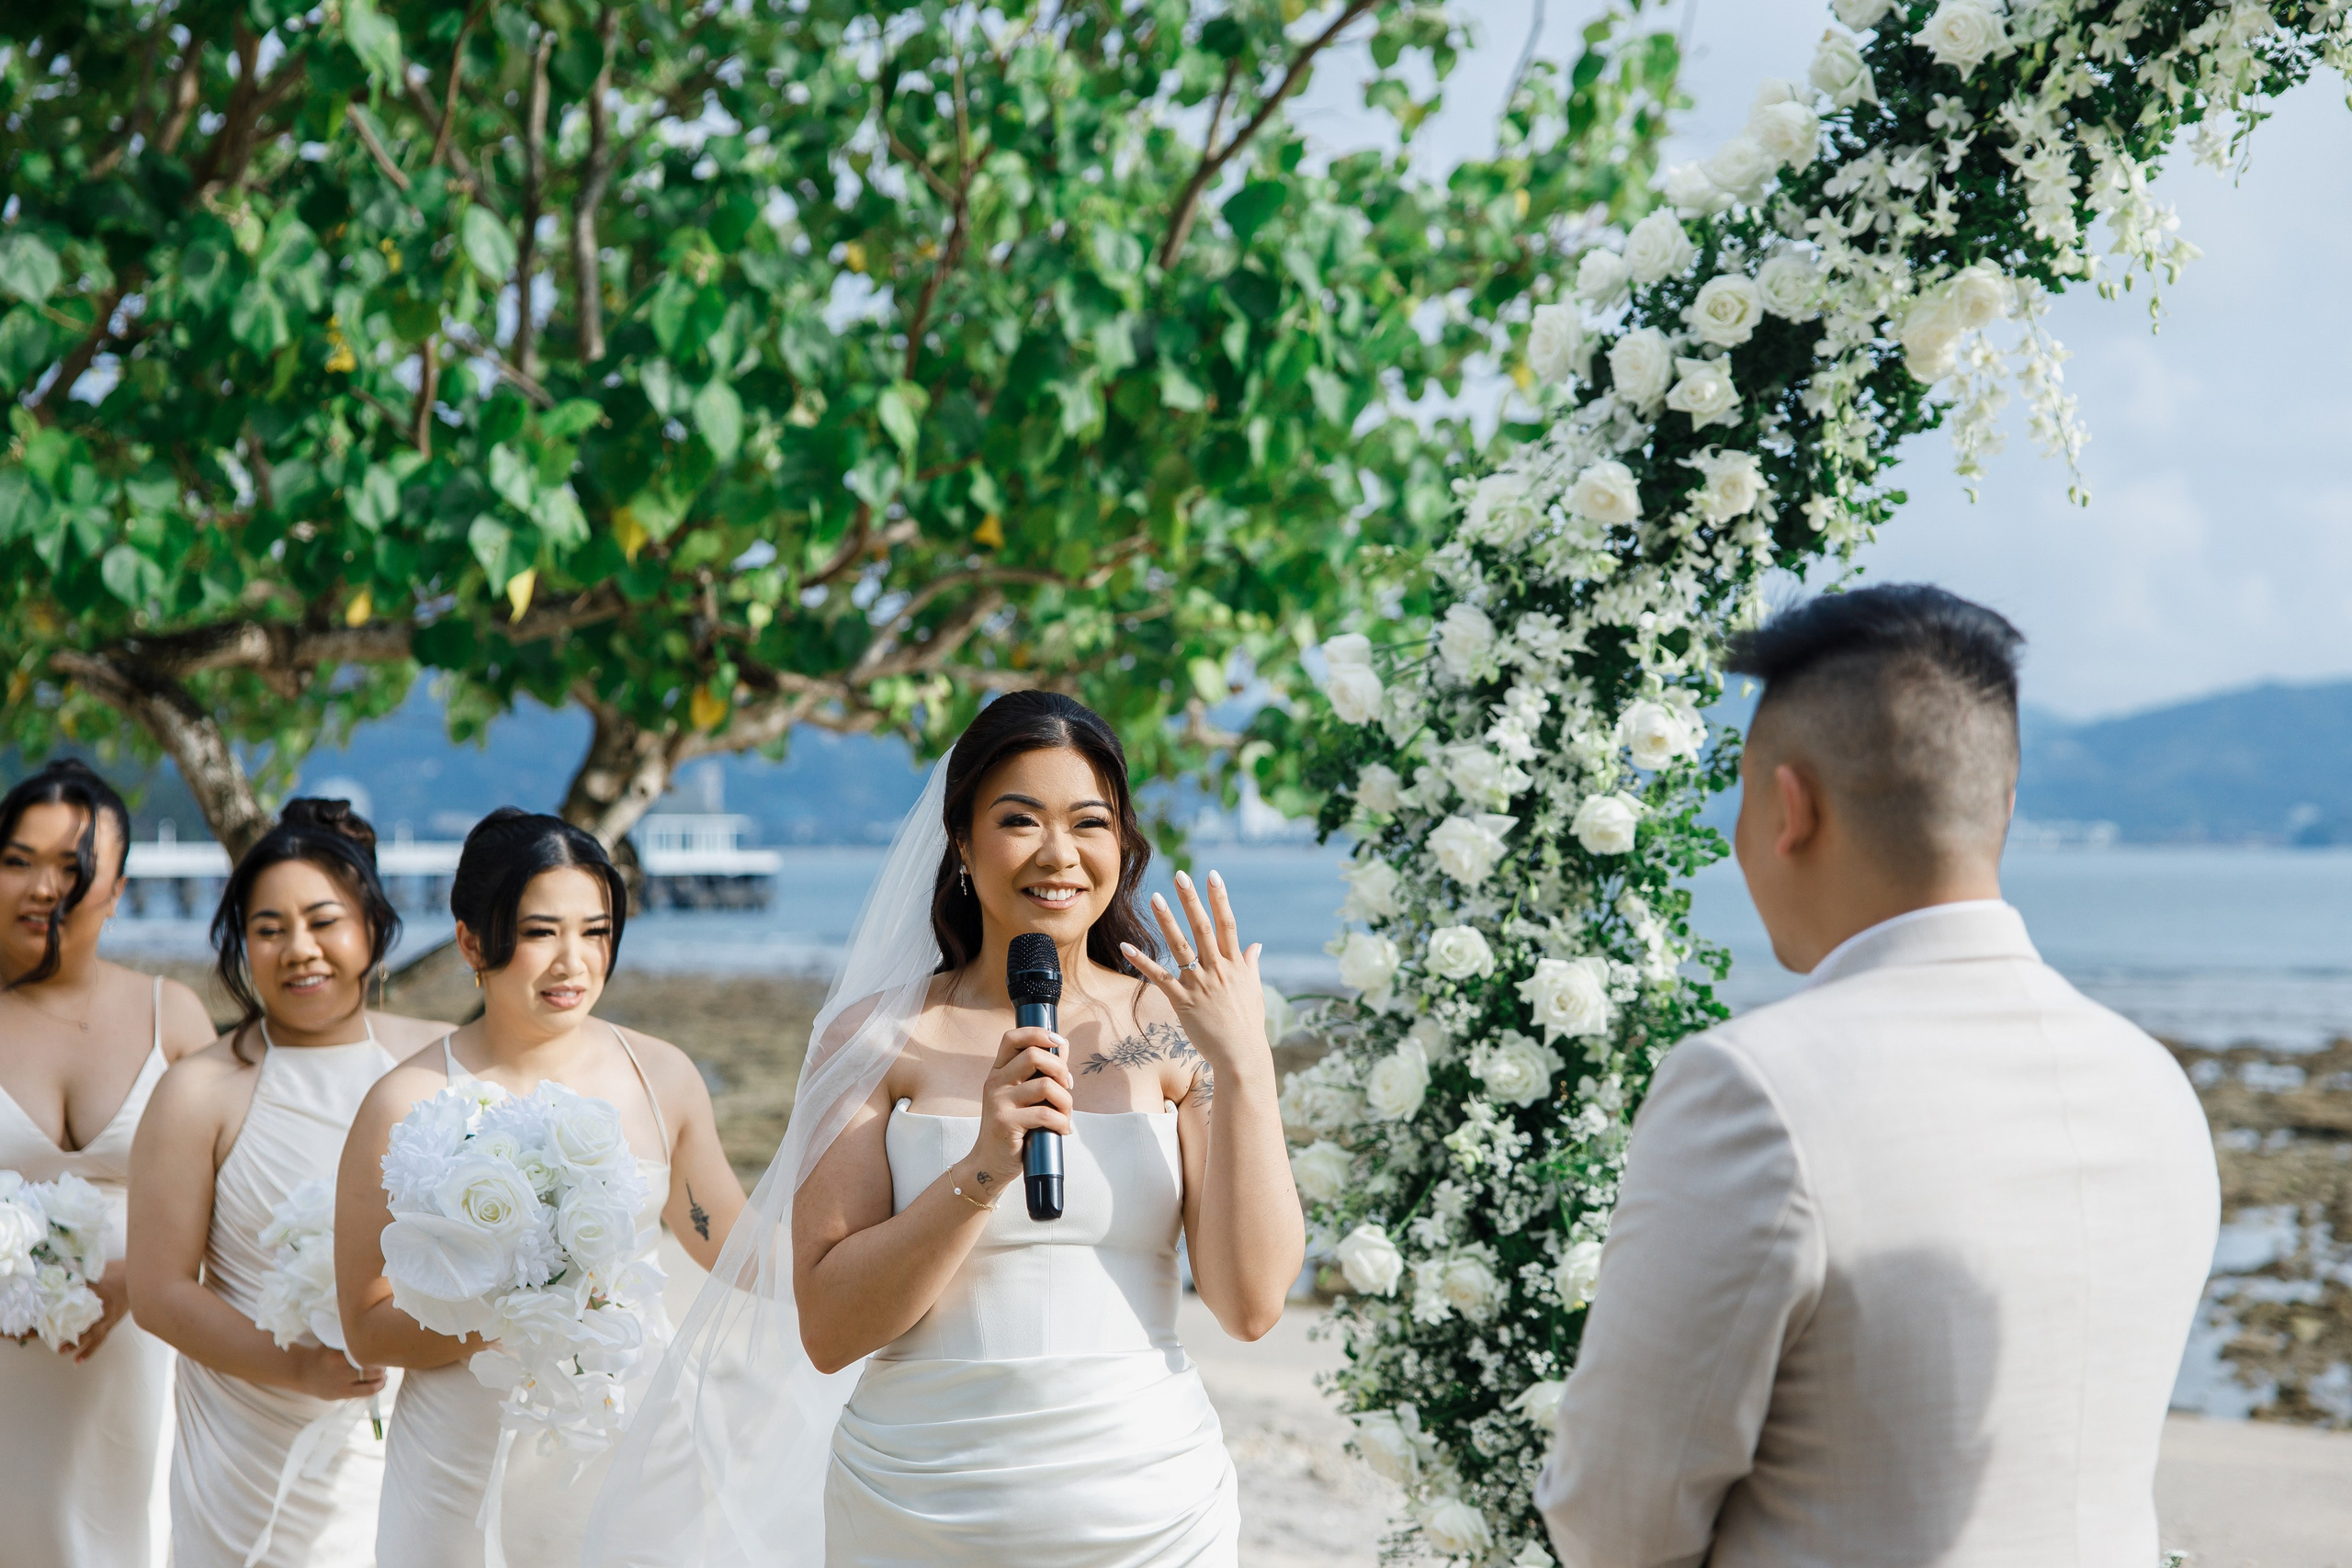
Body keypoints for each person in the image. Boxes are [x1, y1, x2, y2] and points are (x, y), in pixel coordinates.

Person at [1535, 585, 2221, 1565]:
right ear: (2002, 805)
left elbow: (1613, 1519)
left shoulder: (1751, 1089)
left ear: (1787, 806)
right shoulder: (2155, 1087)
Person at [586, 691, 1305, 1567]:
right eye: (1019, 820)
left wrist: (1245, 1062)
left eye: (1089, 822)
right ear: (961, 841)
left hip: (1150, 1502)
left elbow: (1253, 1303)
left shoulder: (1172, 1029)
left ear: (1122, 845)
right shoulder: (875, 1038)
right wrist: (980, 1171)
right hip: (918, 1500)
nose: (1058, 854)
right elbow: (831, 1329)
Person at [335, 808, 746, 1568]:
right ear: (470, 940)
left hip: (631, 1448)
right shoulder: (403, 1101)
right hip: (463, 1458)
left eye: (595, 931)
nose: (574, 961)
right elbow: (365, 1323)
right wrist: (511, 1319)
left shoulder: (662, 1076)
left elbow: (740, 1251)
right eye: (539, 932)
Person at [129, 798, 449, 1566]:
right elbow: (160, 1289)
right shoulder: (200, 1088)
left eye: (323, 920)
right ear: (242, 944)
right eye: (269, 929)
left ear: (371, 925)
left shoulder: (437, 1062)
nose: (299, 949)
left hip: (419, 1425)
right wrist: (297, 1365)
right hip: (249, 1432)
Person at [0, 758, 217, 1567]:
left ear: (117, 888)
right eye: (18, 859)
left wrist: (143, 1279)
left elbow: (243, 1193)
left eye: (73, 866)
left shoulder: (173, 1015)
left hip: (144, 1377)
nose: (42, 886)